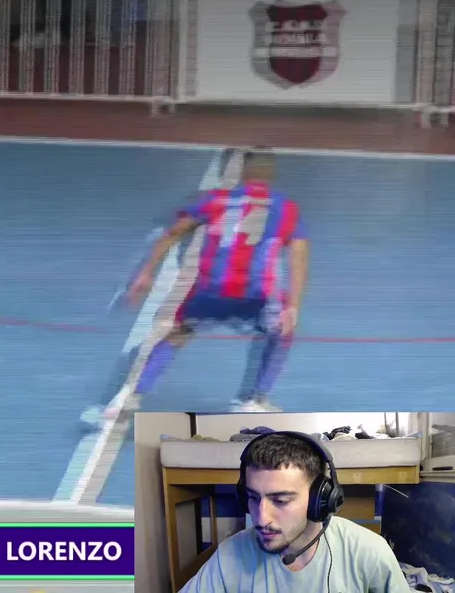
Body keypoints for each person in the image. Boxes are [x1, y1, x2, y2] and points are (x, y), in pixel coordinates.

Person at [95, 148, 309, 419]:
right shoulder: (287, 208)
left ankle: (129, 396)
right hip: (258, 293)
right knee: (281, 333)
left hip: (211, 289)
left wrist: (146, 272)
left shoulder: (216, 199)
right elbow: (298, 258)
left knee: (179, 333)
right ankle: (252, 400)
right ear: (272, 173)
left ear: (243, 171)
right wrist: (294, 307)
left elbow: (173, 232)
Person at [180, 431, 408, 592]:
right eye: (253, 497)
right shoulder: (231, 554)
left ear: (320, 499)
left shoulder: (368, 552)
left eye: (280, 500)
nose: (261, 518)